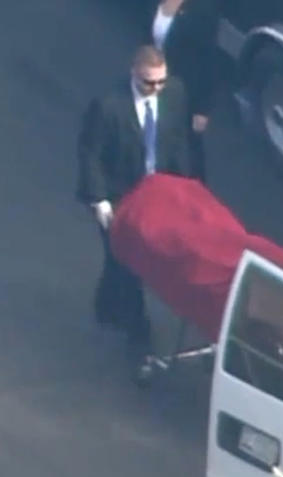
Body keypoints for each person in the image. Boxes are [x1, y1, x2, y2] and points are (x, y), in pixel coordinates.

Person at [76, 44, 196, 359]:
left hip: (156, 191)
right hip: (119, 195)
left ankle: (106, 306)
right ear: (134, 73)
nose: (155, 89)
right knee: (128, 260)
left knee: (120, 261)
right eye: (148, 83)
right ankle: (138, 330)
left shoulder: (175, 94)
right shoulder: (108, 106)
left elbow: (179, 141)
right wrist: (100, 200)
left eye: (160, 82)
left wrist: (186, 187)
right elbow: (91, 154)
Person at [148, 0, 220, 178]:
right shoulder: (158, 5)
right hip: (155, 83)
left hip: (182, 90)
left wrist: (202, 109)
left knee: (186, 148)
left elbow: (209, 63)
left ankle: (193, 189)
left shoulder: (202, 11)